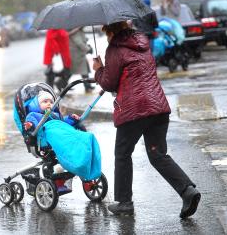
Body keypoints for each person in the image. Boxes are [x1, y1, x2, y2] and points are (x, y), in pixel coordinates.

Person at [92, 21, 200, 218]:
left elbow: (108, 82)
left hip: (134, 109)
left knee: (123, 153)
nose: (107, 37)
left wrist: (99, 69)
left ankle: (124, 203)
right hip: (157, 106)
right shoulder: (143, 43)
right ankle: (187, 191)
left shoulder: (115, 49)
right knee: (158, 154)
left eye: (107, 33)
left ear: (111, 32)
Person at [68, 27, 95, 93]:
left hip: (79, 54)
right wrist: (88, 49)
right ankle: (60, 82)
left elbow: (82, 40)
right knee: (79, 71)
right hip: (77, 54)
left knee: (84, 70)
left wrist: (86, 40)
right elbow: (79, 43)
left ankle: (88, 85)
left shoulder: (78, 31)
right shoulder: (76, 31)